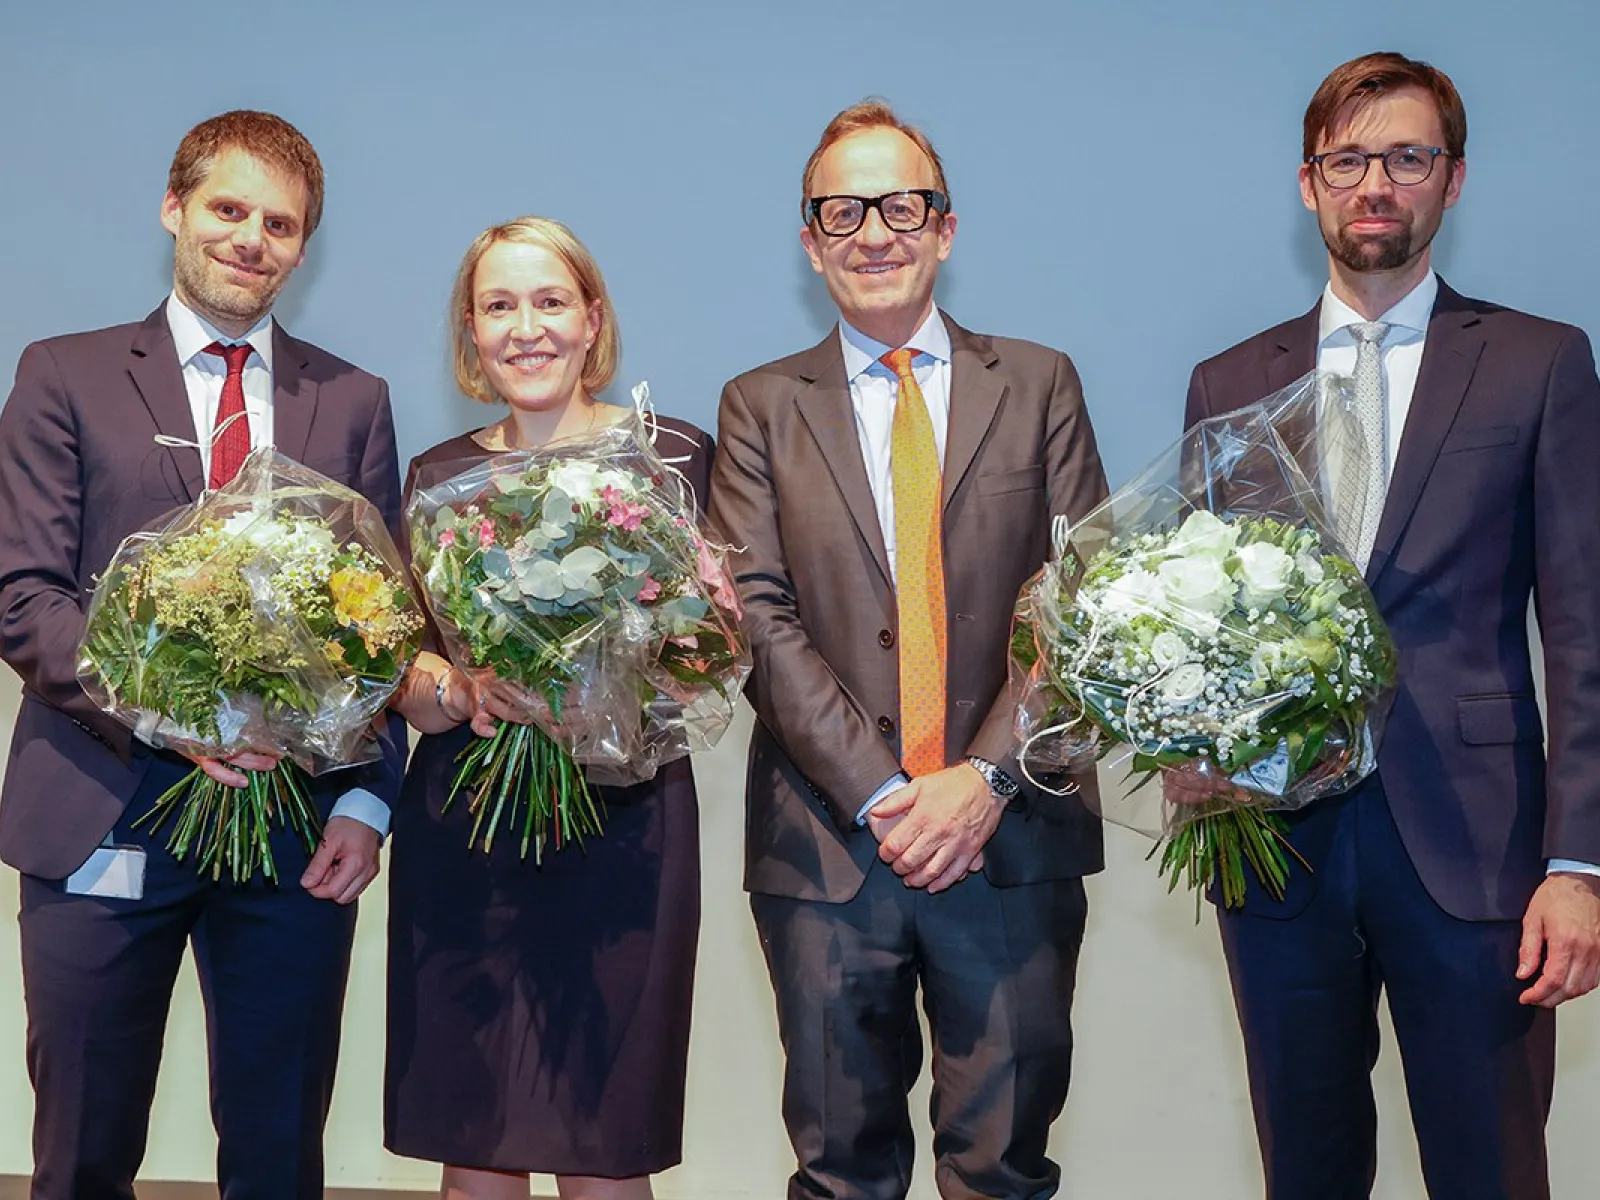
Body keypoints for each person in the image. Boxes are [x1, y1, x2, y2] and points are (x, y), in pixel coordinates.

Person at [1183, 51, 1600, 1199]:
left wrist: (1579, 864)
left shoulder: (1538, 363)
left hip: (1478, 854)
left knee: (1491, 1170)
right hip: (1278, 844)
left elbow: (1583, 631)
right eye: (1349, 159)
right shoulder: (1228, 381)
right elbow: (1200, 614)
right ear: (1307, 182)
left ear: (1451, 181)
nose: (1378, 183)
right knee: (1305, 1172)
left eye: (1407, 158)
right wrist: (1189, 744)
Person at [0, 110, 406, 1198]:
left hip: (295, 829)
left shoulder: (353, 400)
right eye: (229, 209)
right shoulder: (64, 374)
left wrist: (368, 806)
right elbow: (25, 594)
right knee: (82, 1154)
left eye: (280, 224)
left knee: (278, 1155)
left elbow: (384, 625)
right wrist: (170, 713)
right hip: (99, 808)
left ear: (302, 247)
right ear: (174, 209)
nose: (251, 239)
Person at [708, 100, 1108, 1198]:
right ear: (809, 240)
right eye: (844, 211)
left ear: (945, 228)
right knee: (840, 1169)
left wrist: (980, 782)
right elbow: (755, 614)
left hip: (1012, 838)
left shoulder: (1037, 385)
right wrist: (888, 795)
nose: (873, 232)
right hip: (828, 851)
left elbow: (1081, 604)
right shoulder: (757, 407)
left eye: (901, 205)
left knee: (1004, 1168)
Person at [383, 216, 710, 1200]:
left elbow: (711, 651)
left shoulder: (669, 458)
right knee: (474, 1128)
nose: (526, 327)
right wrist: (459, 689)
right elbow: (400, 667)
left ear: (591, 319)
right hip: (466, 825)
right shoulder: (438, 477)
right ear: (471, 334)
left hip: (626, 826)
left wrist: (618, 681)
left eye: (549, 300)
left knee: (601, 1134)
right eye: (498, 305)